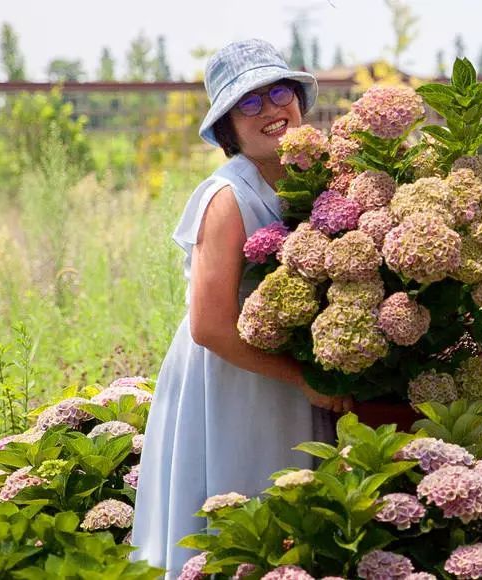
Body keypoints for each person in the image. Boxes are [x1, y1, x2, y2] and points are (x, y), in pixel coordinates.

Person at [130, 38, 353, 576]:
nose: (271, 109)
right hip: (234, 378)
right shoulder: (226, 198)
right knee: (239, 506)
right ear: (228, 128)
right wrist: (301, 377)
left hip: (288, 371)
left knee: (292, 514)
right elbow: (208, 326)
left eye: (280, 93)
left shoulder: (314, 182)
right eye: (248, 103)